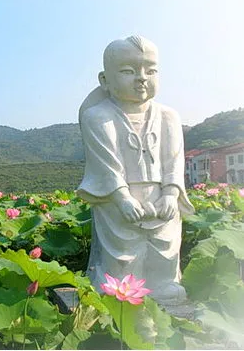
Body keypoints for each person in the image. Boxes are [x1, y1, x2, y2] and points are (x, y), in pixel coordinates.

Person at [77, 35, 195, 306]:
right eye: (129, 71)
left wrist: (170, 193)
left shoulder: (168, 116)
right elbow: (106, 164)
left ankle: (165, 283)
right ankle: (120, 288)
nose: (142, 78)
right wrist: (122, 198)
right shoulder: (99, 116)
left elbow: (174, 161)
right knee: (123, 248)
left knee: (164, 244)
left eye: (150, 70)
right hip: (118, 198)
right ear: (105, 80)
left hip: (161, 194)